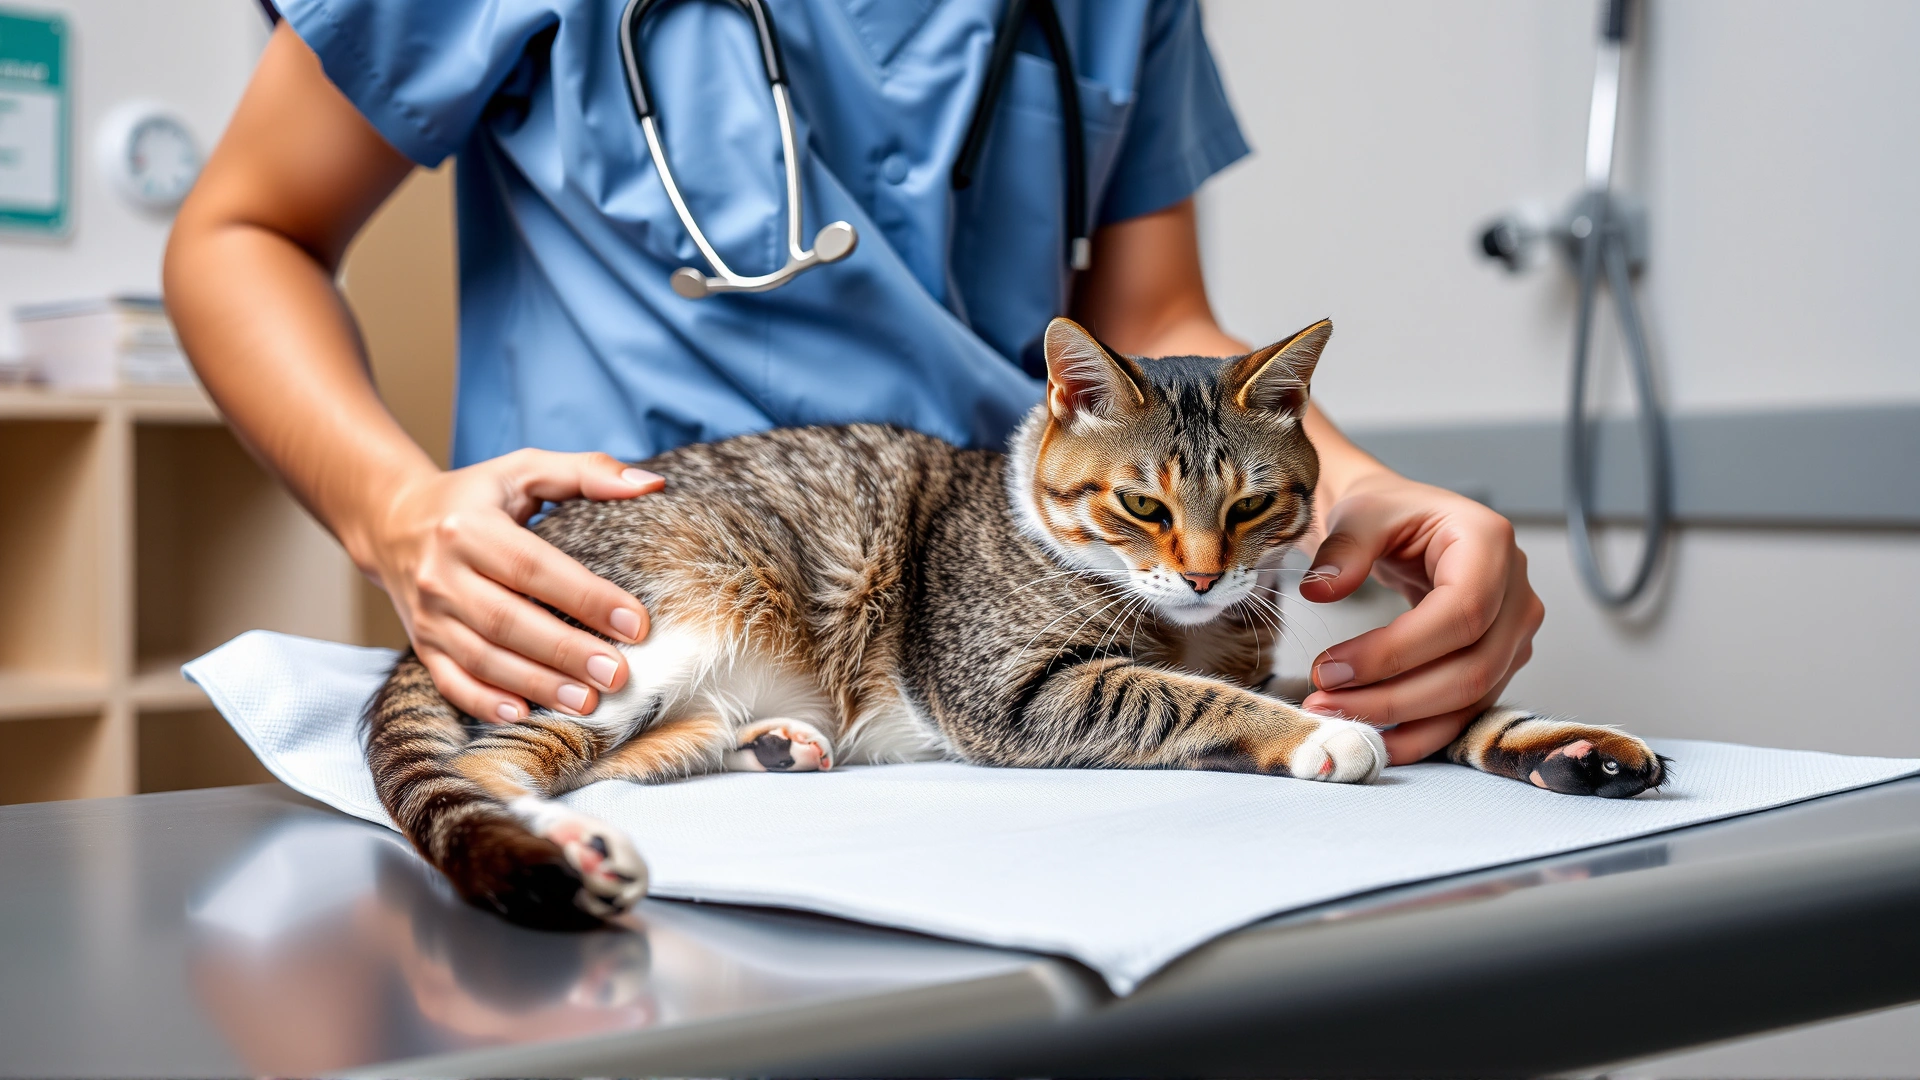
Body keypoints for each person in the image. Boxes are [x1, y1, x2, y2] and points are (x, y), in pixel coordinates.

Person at [164, 0, 1543, 766]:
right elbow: (245, 232)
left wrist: (1376, 498)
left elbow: (1153, 326)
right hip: (619, 626)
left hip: (998, 655)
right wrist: (389, 510)